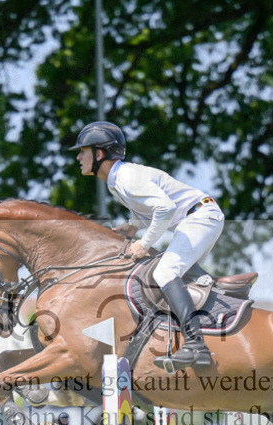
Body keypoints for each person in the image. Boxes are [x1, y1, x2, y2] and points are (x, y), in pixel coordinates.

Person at [70, 121, 225, 371]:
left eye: (83, 151)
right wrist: (133, 226)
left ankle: (196, 345)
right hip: (194, 218)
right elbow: (149, 209)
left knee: (164, 272)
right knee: (171, 272)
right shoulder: (116, 180)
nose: (78, 156)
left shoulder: (127, 178)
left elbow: (165, 208)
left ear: (99, 154)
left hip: (200, 217)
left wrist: (144, 242)